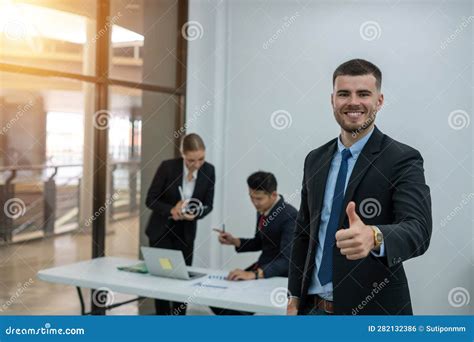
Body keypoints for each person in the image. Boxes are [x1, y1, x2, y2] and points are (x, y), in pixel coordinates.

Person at [287, 59, 432, 316]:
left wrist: (375, 236)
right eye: (344, 94)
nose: (353, 102)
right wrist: (294, 297)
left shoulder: (402, 158)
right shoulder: (315, 159)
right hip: (313, 311)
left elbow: (418, 230)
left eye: (363, 94)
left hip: (372, 312)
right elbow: (302, 233)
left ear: (379, 101)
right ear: (333, 100)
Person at [145, 133, 215, 315]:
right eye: (191, 160)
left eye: (201, 159)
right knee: (160, 281)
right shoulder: (168, 167)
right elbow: (150, 200)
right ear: (182, 154)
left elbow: (209, 205)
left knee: (182, 282)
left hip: (185, 234)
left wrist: (196, 213)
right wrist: (171, 209)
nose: (197, 165)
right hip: (161, 232)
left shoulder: (209, 170)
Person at [212, 171, 297, 315]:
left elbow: (287, 260)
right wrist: (234, 241)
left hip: (278, 275)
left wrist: (255, 274)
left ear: (274, 195)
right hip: (262, 268)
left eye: (259, 198)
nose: (254, 203)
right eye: (251, 197)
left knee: (234, 309)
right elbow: (260, 242)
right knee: (216, 300)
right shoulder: (262, 209)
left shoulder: (290, 216)